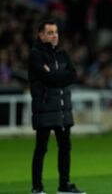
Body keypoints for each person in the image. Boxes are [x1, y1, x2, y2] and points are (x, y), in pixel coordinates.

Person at [28, 19, 86, 194]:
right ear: (41, 35)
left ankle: (64, 185)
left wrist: (54, 75)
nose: (54, 36)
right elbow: (49, 79)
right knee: (41, 148)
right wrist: (60, 76)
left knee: (65, 147)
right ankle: (37, 187)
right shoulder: (36, 54)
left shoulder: (62, 53)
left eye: (56, 32)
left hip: (62, 109)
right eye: (50, 33)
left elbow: (73, 75)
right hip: (45, 108)